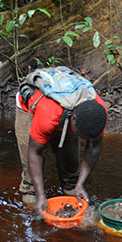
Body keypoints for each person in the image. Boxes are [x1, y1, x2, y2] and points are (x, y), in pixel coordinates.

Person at [15, 67, 108, 214]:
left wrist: (81, 185)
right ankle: (32, 194)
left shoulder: (98, 112)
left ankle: (72, 187)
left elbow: (94, 147)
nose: (84, 140)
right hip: (31, 108)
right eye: (81, 135)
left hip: (64, 114)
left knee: (70, 167)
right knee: (31, 183)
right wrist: (41, 196)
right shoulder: (49, 115)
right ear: (73, 119)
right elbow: (35, 152)